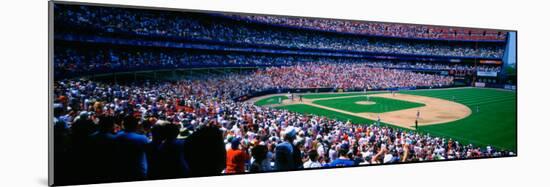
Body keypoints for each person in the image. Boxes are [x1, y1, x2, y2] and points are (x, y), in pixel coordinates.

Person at [115, 115, 150, 180]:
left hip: (122, 170)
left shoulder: (117, 136)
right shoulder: (142, 138)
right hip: (139, 171)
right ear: (136, 125)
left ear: (124, 125)